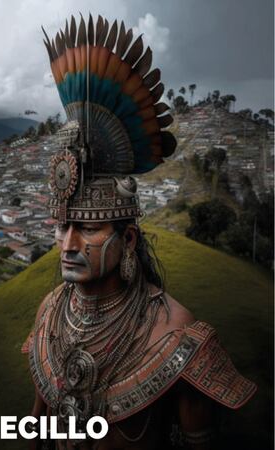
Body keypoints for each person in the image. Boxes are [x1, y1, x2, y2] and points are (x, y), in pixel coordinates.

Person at [22, 15, 255, 449]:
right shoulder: (50, 314)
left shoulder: (176, 338)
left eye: (88, 229)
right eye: (61, 228)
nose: (68, 245)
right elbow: (36, 431)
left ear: (128, 239)